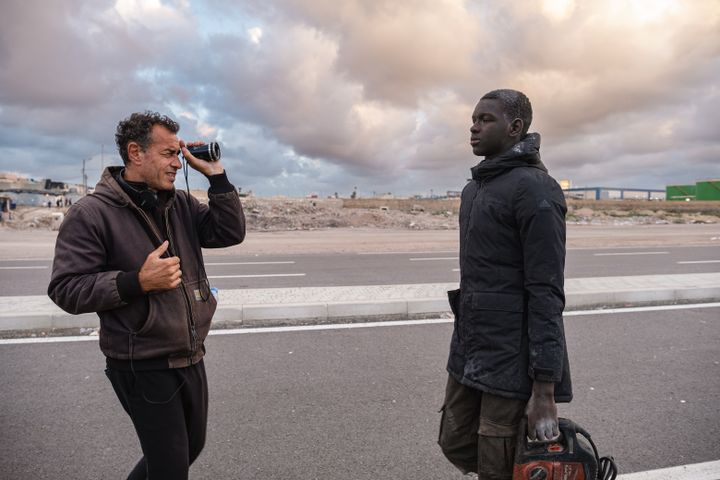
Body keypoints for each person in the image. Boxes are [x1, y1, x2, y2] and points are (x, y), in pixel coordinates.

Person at [48, 111, 246, 479]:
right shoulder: (92, 214)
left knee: (189, 448)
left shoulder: (179, 203)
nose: (177, 162)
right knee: (170, 467)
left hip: (188, 351)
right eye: (169, 153)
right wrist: (136, 282)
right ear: (135, 152)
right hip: (142, 360)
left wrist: (216, 176)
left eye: (179, 152)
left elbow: (228, 232)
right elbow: (66, 290)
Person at [438, 89, 572, 479]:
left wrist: (544, 390)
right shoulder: (473, 189)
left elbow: (546, 291)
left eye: (485, 119)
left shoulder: (535, 188)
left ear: (515, 128)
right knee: (456, 439)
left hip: (514, 355)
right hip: (470, 346)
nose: (473, 126)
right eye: (473, 119)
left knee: (500, 459)